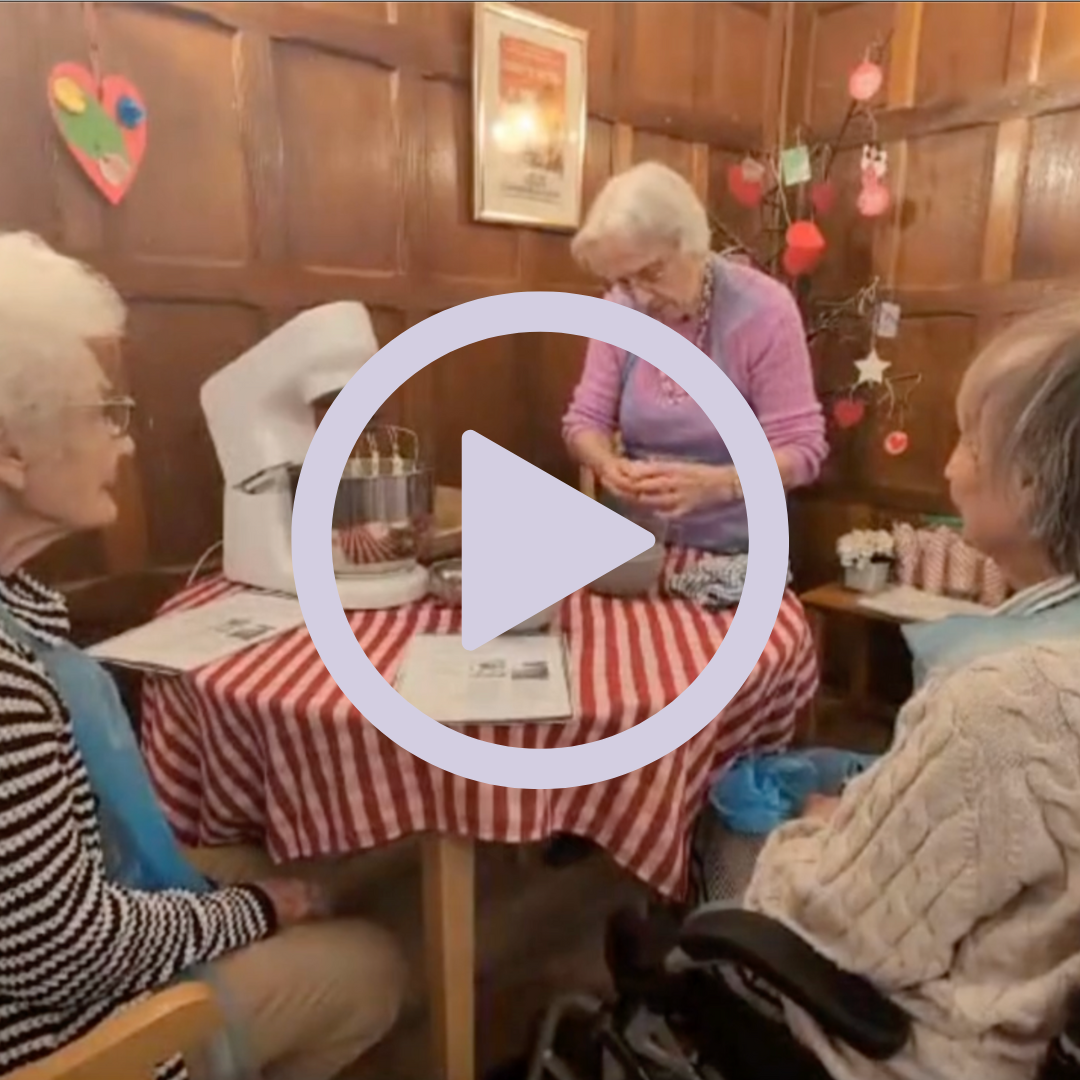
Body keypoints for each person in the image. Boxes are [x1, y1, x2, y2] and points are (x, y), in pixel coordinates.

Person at [0, 232, 406, 1080]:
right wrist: (253, 911)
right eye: (102, 415)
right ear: (11, 451)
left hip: (71, 909)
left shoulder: (18, 604)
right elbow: (68, 952)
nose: (128, 445)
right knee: (375, 964)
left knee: (297, 858)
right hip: (72, 1037)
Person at [690, 305, 1080, 1079]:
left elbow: (838, 923)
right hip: (1005, 965)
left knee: (723, 827)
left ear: (1034, 480)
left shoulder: (1009, 704)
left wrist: (821, 826)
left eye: (970, 440)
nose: (949, 467)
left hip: (918, 1044)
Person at [562, 160, 827, 554]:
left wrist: (719, 484)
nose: (642, 297)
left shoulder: (765, 311)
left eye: (652, 272)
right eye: (623, 280)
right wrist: (606, 464)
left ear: (691, 243)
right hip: (634, 550)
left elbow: (802, 449)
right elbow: (584, 422)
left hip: (739, 555)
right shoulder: (621, 308)